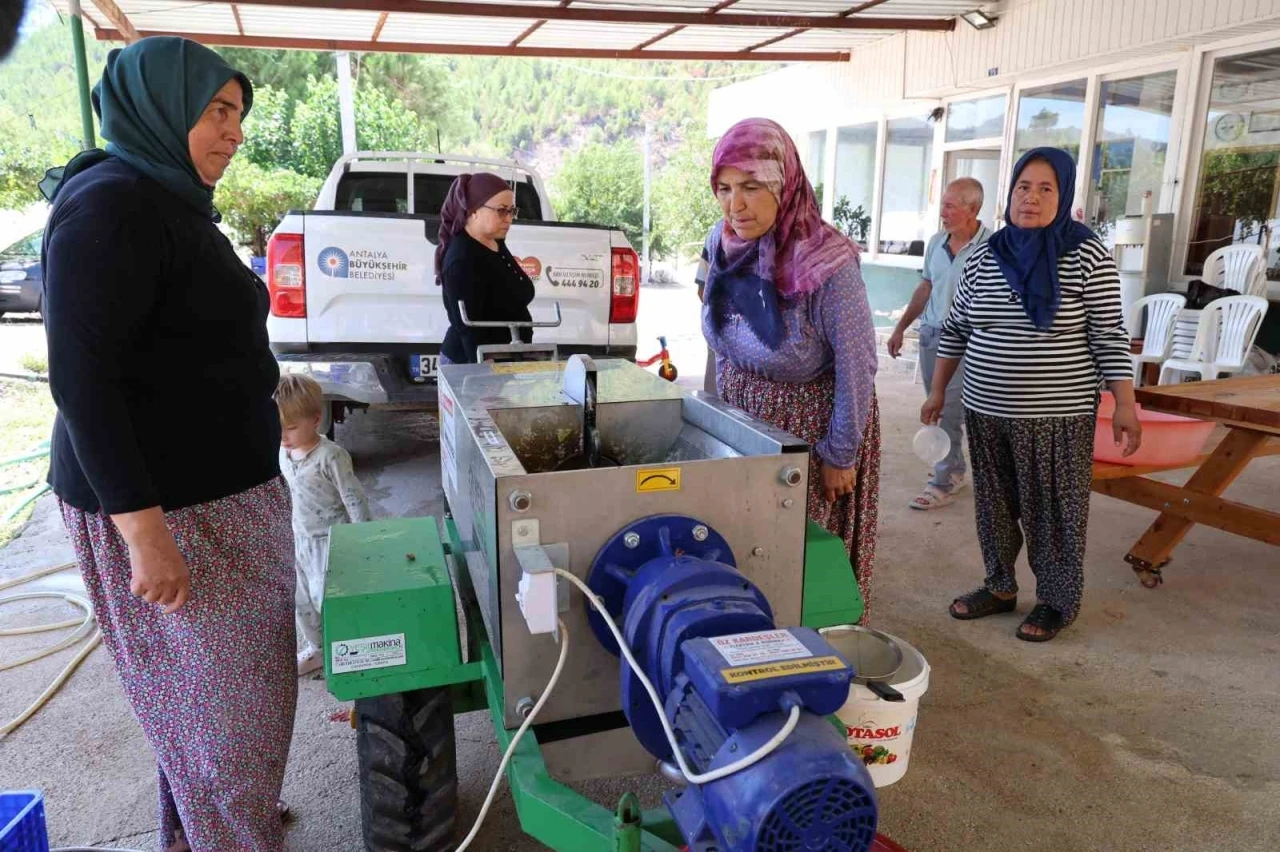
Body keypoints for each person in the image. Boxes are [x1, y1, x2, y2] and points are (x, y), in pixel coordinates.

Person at [41, 37, 295, 851]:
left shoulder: (166, 197)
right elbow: (83, 383)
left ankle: (209, 827)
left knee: (210, 706)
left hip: (216, 499)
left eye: (238, 113)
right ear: (159, 108)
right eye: (216, 111)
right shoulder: (109, 207)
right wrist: (145, 537)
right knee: (229, 717)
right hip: (172, 512)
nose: (234, 132)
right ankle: (231, 833)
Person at [922, 147, 1141, 643]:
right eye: (1024, 187)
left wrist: (1125, 404)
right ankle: (1000, 586)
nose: (1031, 198)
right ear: (1010, 193)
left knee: (1053, 512)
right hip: (985, 408)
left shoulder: (1086, 256)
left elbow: (1109, 336)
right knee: (994, 507)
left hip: (1057, 415)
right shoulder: (985, 255)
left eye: (1046, 189)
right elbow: (956, 329)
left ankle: (1056, 601)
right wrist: (937, 391)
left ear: (1064, 196)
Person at [701, 118, 881, 618]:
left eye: (751, 187)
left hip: (807, 432)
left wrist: (839, 454)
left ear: (785, 184)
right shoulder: (723, 244)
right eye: (724, 189)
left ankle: (806, 652)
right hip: (742, 422)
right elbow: (719, 338)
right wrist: (713, 418)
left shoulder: (827, 263)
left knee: (798, 564)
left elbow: (858, 363)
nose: (735, 206)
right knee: (744, 549)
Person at [888, 178, 990, 510]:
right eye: (942, 204)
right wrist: (901, 327)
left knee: (947, 409)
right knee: (936, 407)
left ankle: (942, 481)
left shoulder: (993, 247)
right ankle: (955, 469)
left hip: (969, 340)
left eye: (949, 206)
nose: (942, 212)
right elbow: (926, 287)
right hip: (933, 334)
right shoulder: (936, 242)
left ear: (972, 209)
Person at [276, 373, 371, 676]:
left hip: (329, 542)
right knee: (301, 601)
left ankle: (347, 649)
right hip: (298, 539)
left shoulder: (331, 457)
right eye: (278, 427)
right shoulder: (283, 453)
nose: (284, 435)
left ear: (316, 420)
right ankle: (317, 648)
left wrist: (364, 539)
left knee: (327, 600)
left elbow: (354, 498)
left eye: (291, 428)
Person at [436, 172, 535, 364]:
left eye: (512, 211)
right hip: (471, 365)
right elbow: (468, 328)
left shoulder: (495, 241)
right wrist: (484, 371)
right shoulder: (461, 259)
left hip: (506, 357)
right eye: (501, 210)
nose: (509, 219)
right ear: (473, 211)